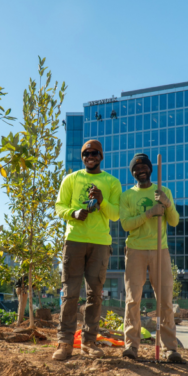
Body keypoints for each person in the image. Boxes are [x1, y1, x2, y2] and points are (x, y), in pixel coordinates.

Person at [52, 139, 122, 361]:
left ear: (101, 156)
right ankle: (65, 343)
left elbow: (115, 215)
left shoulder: (112, 182)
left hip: (101, 243)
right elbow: (59, 207)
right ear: (82, 157)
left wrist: (101, 200)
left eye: (94, 153)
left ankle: (89, 341)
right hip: (74, 240)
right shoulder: (71, 179)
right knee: (70, 293)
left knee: (95, 295)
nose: (89, 156)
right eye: (86, 153)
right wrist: (73, 213)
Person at [119, 152, 183, 363]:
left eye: (144, 167)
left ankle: (170, 349)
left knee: (164, 300)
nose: (141, 170)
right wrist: (149, 213)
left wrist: (166, 204)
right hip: (136, 250)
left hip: (160, 250)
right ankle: (131, 346)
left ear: (150, 169)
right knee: (132, 300)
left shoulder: (164, 191)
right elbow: (126, 225)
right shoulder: (127, 195)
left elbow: (174, 221)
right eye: (136, 168)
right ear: (133, 173)